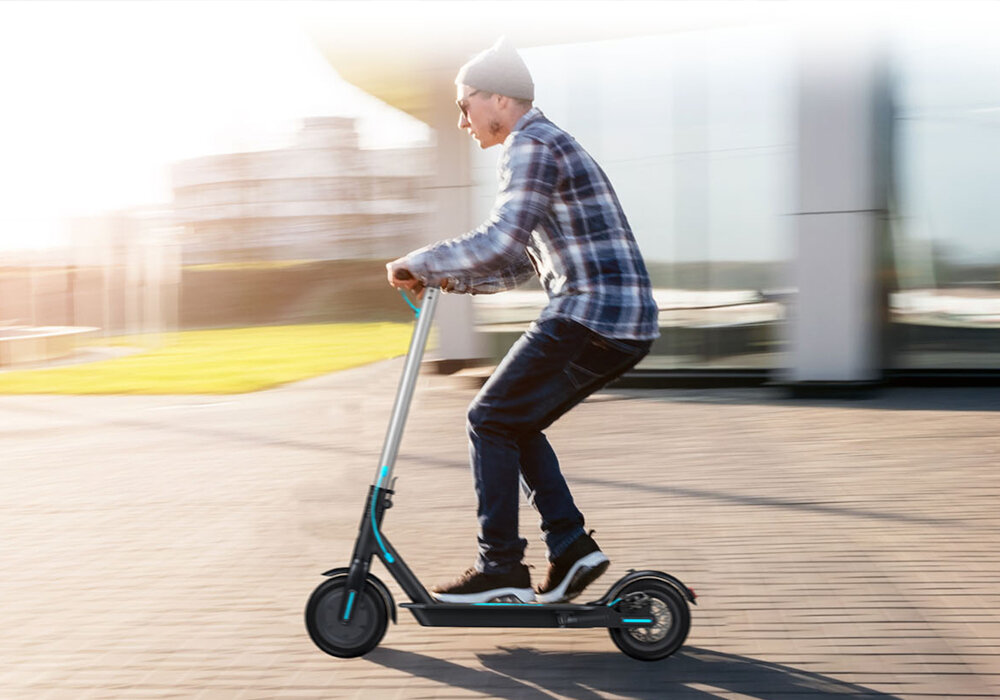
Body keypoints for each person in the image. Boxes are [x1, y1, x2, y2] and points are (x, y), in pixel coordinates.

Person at [386, 37, 659, 604]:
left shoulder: (531, 144)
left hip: (592, 313)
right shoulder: (546, 143)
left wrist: (421, 260)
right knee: (511, 421)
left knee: (488, 418)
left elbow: (499, 238)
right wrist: (446, 278)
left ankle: (501, 568)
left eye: (464, 105)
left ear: (500, 100)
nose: (462, 121)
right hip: (616, 321)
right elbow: (516, 265)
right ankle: (571, 547)